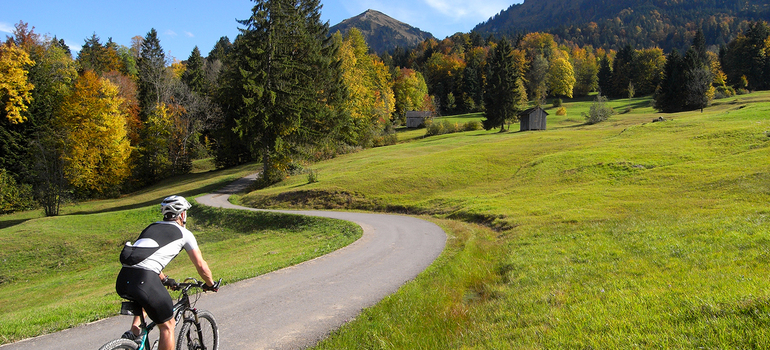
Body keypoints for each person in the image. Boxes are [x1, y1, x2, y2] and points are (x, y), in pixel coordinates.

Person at [115, 195, 219, 350]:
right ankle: (137, 333)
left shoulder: (151, 227)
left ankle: (134, 330)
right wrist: (211, 284)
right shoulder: (185, 234)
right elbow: (201, 266)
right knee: (168, 325)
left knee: (147, 298)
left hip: (123, 279)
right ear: (182, 214)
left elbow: (144, 257)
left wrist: (164, 279)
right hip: (145, 279)